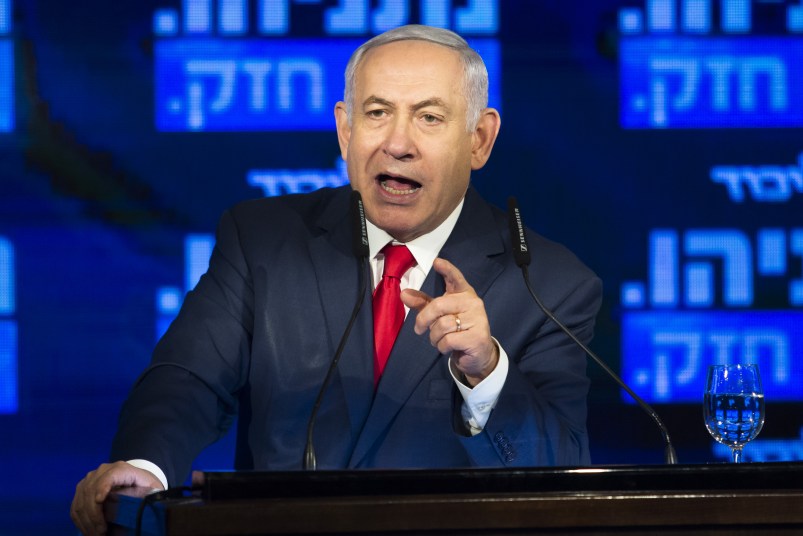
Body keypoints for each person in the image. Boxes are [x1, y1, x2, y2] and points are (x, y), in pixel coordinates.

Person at [71, 24, 602, 535]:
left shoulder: (550, 283)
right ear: (345, 131)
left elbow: (562, 473)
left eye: (430, 118)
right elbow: (188, 377)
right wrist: (148, 465)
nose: (398, 143)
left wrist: (485, 373)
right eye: (377, 113)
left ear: (480, 140)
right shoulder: (265, 240)